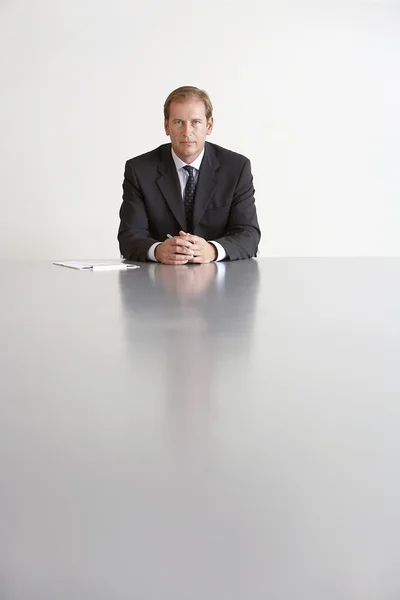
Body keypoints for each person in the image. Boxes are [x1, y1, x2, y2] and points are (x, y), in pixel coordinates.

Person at [118, 86, 261, 264]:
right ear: (166, 126)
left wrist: (213, 250)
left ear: (209, 126)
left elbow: (249, 234)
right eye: (178, 122)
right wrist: (157, 251)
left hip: (223, 281)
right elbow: (128, 236)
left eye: (195, 122)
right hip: (158, 280)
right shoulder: (139, 170)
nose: (187, 132)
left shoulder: (236, 168)